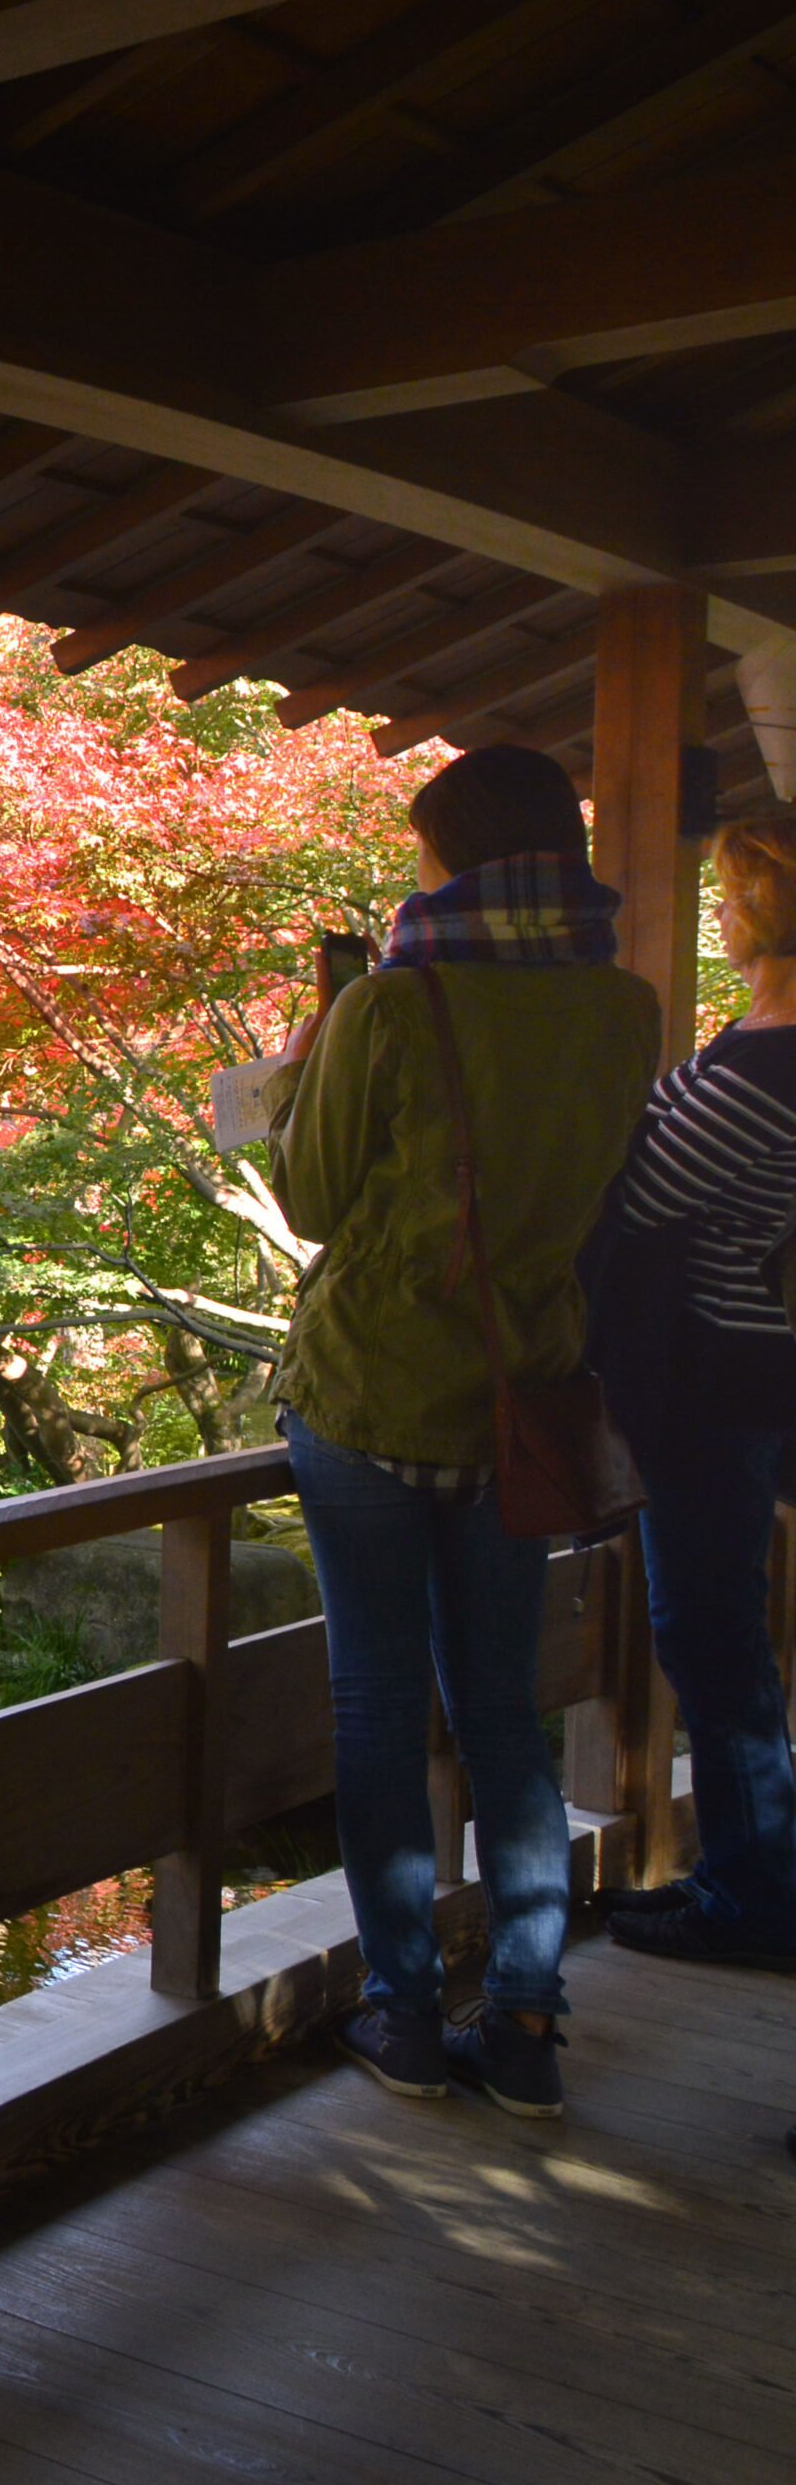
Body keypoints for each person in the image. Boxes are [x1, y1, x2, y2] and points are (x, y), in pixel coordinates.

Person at [267, 745, 661, 2118]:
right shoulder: (625, 1009)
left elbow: (313, 1200)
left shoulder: (392, 1001)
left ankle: (406, 2016)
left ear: (459, 861)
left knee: (381, 1712)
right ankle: (530, 2028)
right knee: (503, 1716)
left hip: (370, 1397)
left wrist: (303, 1073)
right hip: (522, 1408)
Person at [598, 815, 796, 1974]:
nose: (719, 913)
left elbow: (636, 1195)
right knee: (718, 1634)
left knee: (710, 1635)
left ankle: (752, 1896)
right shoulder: (762, 1035)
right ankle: (743, 1879)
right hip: (730, 1368)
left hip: (715, 1380)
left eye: (735, 896)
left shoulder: (775, 1062)